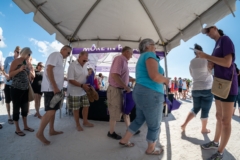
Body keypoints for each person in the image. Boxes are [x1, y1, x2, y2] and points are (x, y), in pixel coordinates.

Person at [119, 39, 169, 155]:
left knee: (139, 119)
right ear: (147, 46)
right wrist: (166, 80)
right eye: (153, 45)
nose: (155, 48)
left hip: (140, 92)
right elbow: (155, 76)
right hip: (151, 93)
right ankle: (151, 149)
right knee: (155, 124)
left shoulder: (142, 57)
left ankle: (125, 139)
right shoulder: (150, 55)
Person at [197, 25, 238, 160]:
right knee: (219, 116)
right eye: (205, 32)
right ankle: (215, 143)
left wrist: (207, 56)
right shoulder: (216, 46)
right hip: (219, 84)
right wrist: (210, 64)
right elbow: (217, 63)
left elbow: (227, 62)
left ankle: (220, 153)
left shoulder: (225, 39)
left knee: (226, 120)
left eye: (208, 30)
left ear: (214, 28)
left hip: (228, 84)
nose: (207, 34)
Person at [36, 45, 71, 145]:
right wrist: (55, 87)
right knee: (50, 111)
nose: (68, 56)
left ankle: (51, 130)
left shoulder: (59, 58)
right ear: (63, 50)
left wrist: (64, 79)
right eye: (68, 53)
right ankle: (39, 133)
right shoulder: (56, 54)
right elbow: (49, 69)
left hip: (55, 89)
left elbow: (55, 72)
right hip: (51, 89)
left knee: (53, 111)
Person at [107, 46, 140, 140]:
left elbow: (121, 76)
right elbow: (115, 75)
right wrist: (126, 86)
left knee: (126, 111)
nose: (132, 55)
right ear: (126, 52)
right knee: (115, 111)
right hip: (115, 90)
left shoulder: (124, 61)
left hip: (121, 90)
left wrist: (131, 79)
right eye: (131, 53)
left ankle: (130, 130)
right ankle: (111, 132)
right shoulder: (120, 59)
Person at [181, 44, 213, 134]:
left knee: (195, 108)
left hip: (195, 88)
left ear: (194, 52)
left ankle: (184, 124)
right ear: (201, 51)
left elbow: (191, 74)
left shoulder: (191, 62)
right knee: (205, 110)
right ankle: (203, 129)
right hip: (207, 87)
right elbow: (211, 71)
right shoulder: (206, 60)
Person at [9, 47, 34, 136]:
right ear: (25, 53)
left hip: (25, 89)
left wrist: (30, 72)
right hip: (16, 89)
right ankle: (17, 129)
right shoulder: (15, 61)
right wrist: (19, 69)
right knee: (16, 109)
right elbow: (10, 74)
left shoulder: (27, 62)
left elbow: (29, 76)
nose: (29, 56)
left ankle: (25, 126)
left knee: (25, 109)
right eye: (29, 54)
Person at [67, 51, 94, 131]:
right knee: (76, 109)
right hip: (74, 91)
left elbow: (83, 76)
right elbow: (70, 80)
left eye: (87, 58)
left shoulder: (85, 65)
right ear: (79, 56)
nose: (86, 60)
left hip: (83, 90)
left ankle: (85, 122)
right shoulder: (72, 65)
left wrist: (88, 76)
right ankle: (77, 124)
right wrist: (82, 85)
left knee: (86, 106)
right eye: (85, 57)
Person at [3, 46, 20, 125]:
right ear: (15, 51)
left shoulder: (21, 61)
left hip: (16, 84)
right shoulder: (8, 59)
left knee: (15, 101)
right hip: (8, 83)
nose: (19, 54)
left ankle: (14, 115)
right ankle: (9, 116)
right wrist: (6, 75)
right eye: (18, 52)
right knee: (7, 101)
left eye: (20, 53)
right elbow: (3, 69)